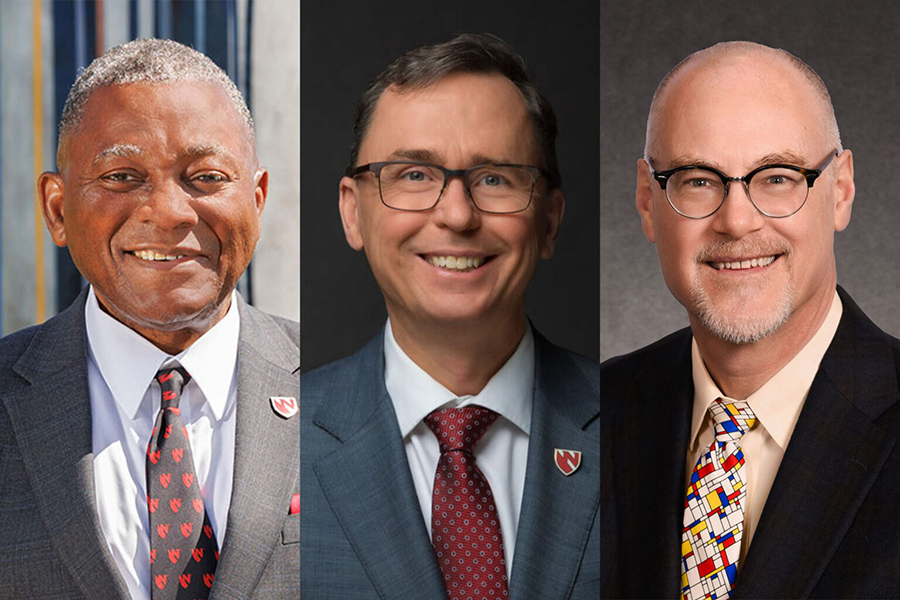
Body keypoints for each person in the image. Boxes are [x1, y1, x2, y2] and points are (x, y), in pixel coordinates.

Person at [301, 33, 599, 599]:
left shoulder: (635, 428)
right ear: (352, 213)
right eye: (414, 175)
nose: (458, 215)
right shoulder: (282, 441)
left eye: (495, 178)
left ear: (549, 221)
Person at [0, 39, 298, 600]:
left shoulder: (342, 393)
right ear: (57, 209)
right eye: (121, 176)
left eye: (206, 177)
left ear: (257, 200)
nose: (167, 212)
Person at [601, 40, 900, 598]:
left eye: (777, 177)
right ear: (647, 201)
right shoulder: (593, 413)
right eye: (697, 179)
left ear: (840, 191)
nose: (737, 221)